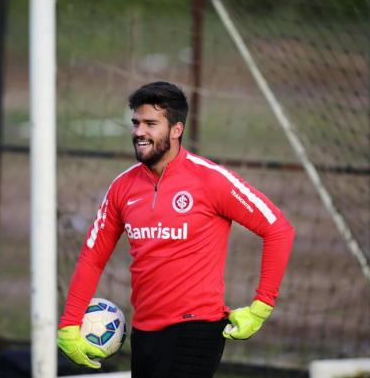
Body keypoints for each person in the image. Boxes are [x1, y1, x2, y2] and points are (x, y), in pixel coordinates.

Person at [57, 81, 295, 377]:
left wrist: (261, 306)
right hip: (144, 332)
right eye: (136, 123)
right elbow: (93, 257)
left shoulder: (210, 180)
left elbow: (278, 230)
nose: (139, 132)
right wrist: (69, 323)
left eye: (150, 124)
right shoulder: (122, 187)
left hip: (197, 329)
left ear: (176, 129)